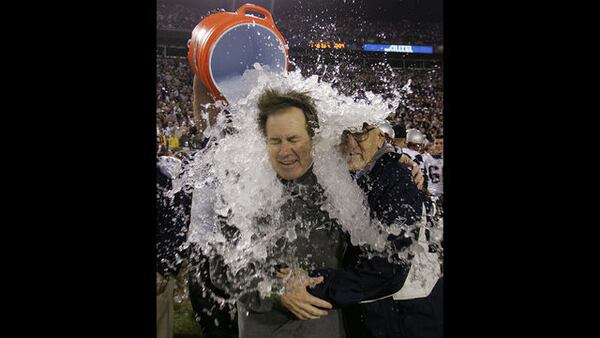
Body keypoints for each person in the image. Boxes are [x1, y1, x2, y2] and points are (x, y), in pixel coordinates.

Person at [206, 88, 348, 338]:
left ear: (312, 138)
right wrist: (275, 289)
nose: (284, 152)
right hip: (261, 327)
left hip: (323, 324)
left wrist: (403, 167)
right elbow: (219, 268)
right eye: (275, 141)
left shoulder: (338, 184)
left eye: (293, 140)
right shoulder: (241, 191)